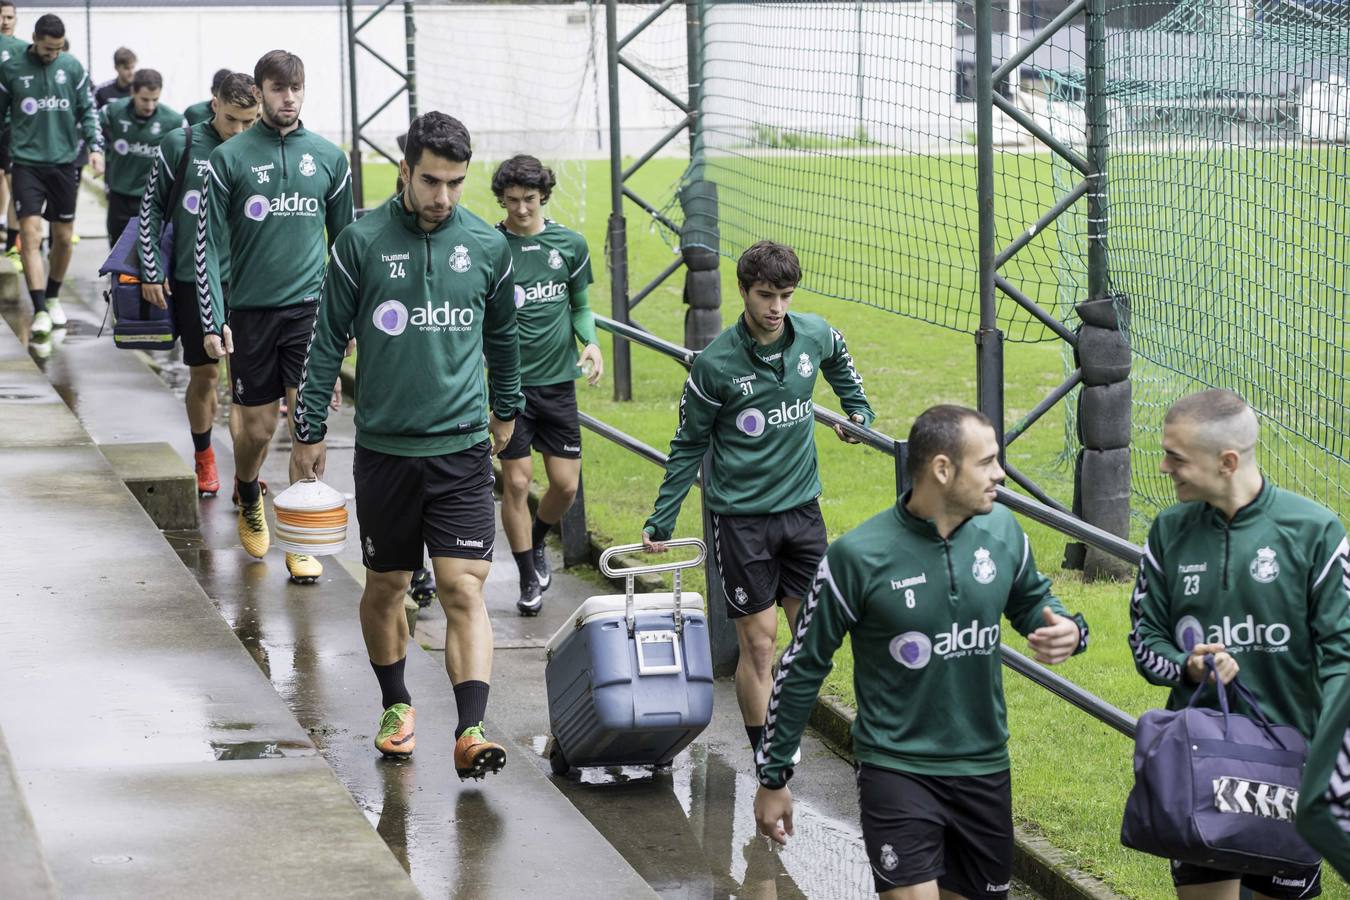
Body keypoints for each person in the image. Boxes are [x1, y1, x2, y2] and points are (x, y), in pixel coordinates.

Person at [754, 404, 1089, 899]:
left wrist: (1069, 630)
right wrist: (775, 775)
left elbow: (1034, 601)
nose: (1000, 473)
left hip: (983, 769)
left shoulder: (1003, 534)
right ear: (942, 469)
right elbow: (803, 666)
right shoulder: (857, 557)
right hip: (896, 769)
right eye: (988, 462)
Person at [291, 111, 522, 779]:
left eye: (454, 183)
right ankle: (396, 706)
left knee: (461, 588)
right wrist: (308, 430)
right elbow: (328, 340)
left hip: (458, 451)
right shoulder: (359, 243)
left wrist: (505, 413)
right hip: (386, 451)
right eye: (430, 181)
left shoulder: (486, 247)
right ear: (403, 170)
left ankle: (472, 729)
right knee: (387, 586)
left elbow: (504, 339)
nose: (442, 197)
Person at [641, 240, 873, 759]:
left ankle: (788, 720)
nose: (776, 308)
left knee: (817, 639)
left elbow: (837, 354)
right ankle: (767, 754)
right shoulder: (715, 365)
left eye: (786, 296)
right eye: (766, 295)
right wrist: (662, 518)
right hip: (742, 521)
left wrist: (857, 410)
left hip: (802, 512)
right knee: (760, 643)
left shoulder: (811, 333)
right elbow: (688, 445)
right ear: (743, 290)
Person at [1128, 388, 1350, 900]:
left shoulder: (1315, 531)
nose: (1163, 467)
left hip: (1287, 768)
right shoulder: (1168, 530)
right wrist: (1186, 666)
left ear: (1227, 461)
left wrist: (1330, 759)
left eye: (1176, 457)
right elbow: (1145, 640)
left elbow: (1342, 658)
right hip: (1200, 763)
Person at [195, 49, 351, 584]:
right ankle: (247, 488)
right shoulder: (230, 159)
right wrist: (214, 318)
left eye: (297, 88)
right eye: (278, 88)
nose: (288, 98)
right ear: (260, 91)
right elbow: (210, 247)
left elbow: (346, 249)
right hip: (251, 312)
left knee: (307, 426)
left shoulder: (330, 159)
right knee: (258, 429)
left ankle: (300, 536)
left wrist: (344, 322)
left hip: (309, 312)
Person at [491, 154, 602, 615]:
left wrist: (591, 342)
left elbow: (579, 305)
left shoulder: (569, 246)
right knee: (517, 482)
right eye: (513, 200)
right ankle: (525, 577)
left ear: (544, 197)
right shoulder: (489, 247)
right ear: (502, 198)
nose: (521, 209)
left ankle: (536, 541)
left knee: (565, 486)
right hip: (510, 388)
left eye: (530, 200)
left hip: (558, 385)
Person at [139, 72, 258, 496]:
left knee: (249, 385)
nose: (240, 131)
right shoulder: (181, 143)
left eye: (250, 121)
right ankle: (205, 456)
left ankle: (247, 471)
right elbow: (151, 206)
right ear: (214, 105)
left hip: (248, 283)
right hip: (193, 278)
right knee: (206, 374)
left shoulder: (262, 148)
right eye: (232, 120)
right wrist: (151, 269)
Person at [0, 13, 102, 340]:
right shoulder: (12, 68)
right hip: (26, 162)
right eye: (47, 49)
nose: (52, 54)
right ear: (34, 38)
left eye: (57, 49)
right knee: (30, 234)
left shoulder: (71, 68)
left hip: (63, 163)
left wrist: (96, 148)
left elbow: (88, 110)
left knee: (62, 236)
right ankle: (40, 307)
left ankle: (54, 294)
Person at [100, 68, 181, 247]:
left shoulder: (174, 121)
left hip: (152, 198)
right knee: (117, 247)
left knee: (147, 251)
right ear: (133, 92)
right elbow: (92, 128)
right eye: (145, 99)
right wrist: (96, 152)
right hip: (119, 195)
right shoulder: (113, 111)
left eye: (155, 100)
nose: (150, 106)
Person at [0, 1, 23, 267]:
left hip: (11, 127)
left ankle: (11, 245)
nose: (5, 21)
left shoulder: (20, 49)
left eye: (9, 17)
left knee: (13, 180)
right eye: (1, 16)